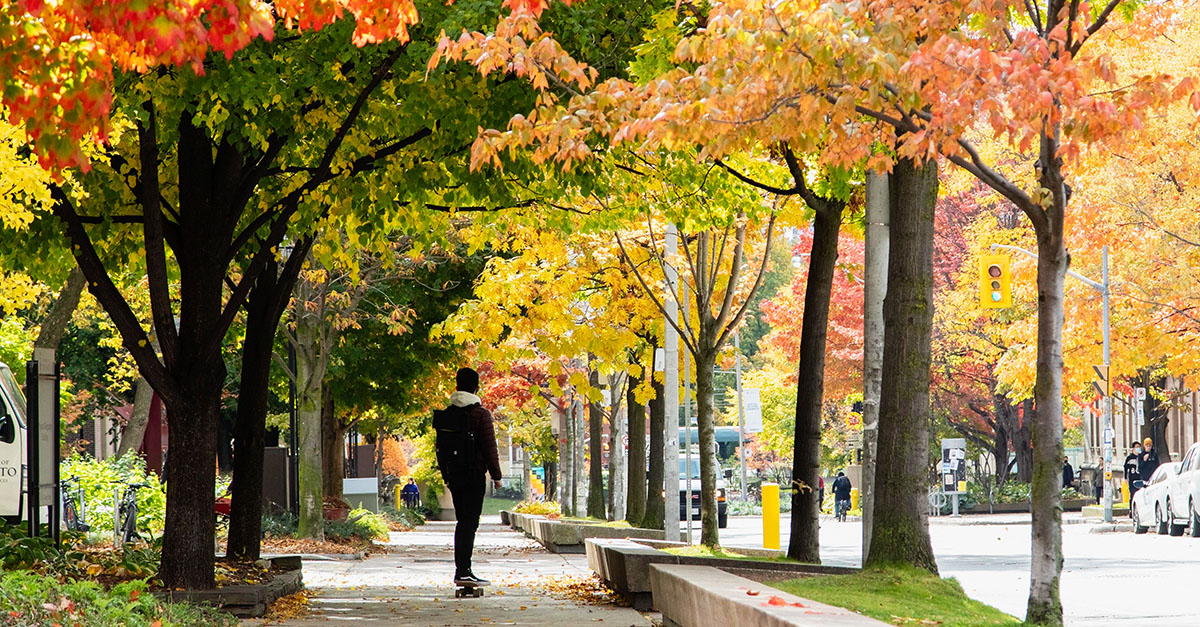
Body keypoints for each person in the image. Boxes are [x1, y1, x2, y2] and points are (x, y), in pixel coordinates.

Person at [436, 367, 502, 588]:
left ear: (457, 386)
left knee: (462, 521)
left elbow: (440, 449)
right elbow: (489, 447)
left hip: (455, 476)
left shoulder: (448, 414)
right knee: (469, 523)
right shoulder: (480, 414)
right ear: (476, 387)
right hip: (474, 475)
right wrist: (497, 476)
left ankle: (463, 570)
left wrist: (446, 475)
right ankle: (463, 571)